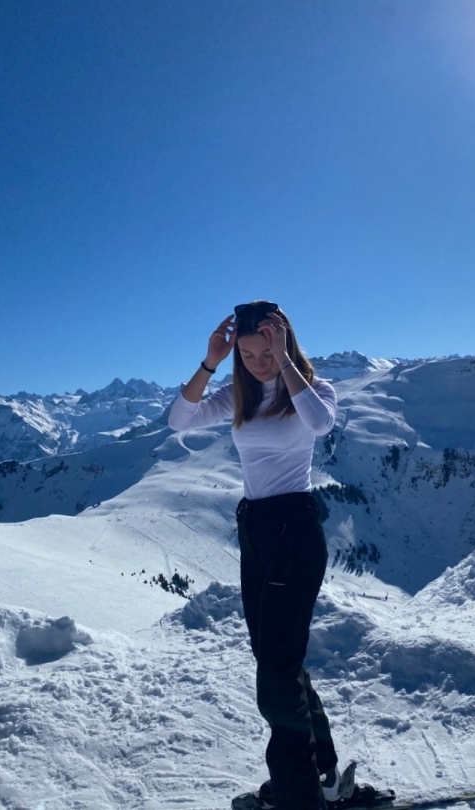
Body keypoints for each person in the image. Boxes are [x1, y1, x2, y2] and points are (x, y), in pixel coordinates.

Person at [168, 301, 340, 810]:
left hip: (294, 530)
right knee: (276, 661)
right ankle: (323, 776)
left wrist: (285, 362)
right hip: (256, 529)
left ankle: (296, 795)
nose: (258, 363)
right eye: (248, 354)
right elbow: (179, 419)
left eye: (266, 352)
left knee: (275, 678)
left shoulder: (312, 389)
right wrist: (211, 361)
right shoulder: (238, 395)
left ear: (285, 343)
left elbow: (320, 425)